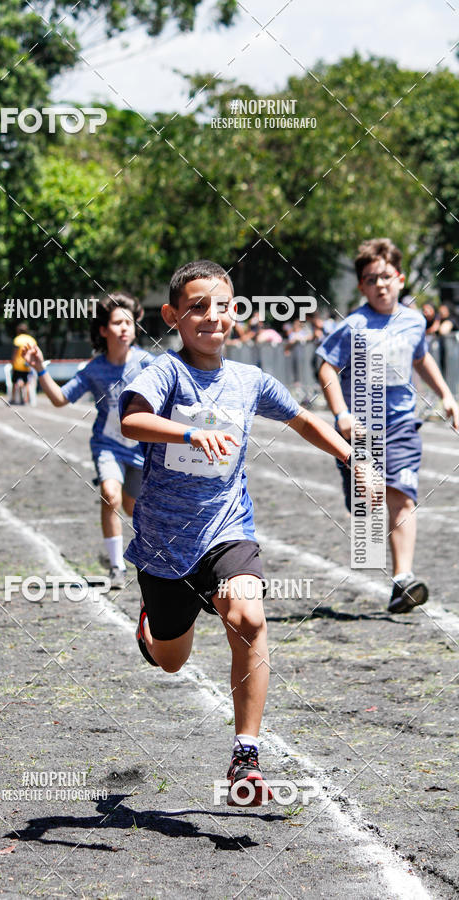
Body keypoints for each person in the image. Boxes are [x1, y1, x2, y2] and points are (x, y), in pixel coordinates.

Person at [118, 260, 376, 806]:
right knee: (171, 660)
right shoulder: (165, 374)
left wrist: (355, 458)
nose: (211, 317)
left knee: (249, 616)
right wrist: (190, 431)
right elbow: (132, 421)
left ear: (236, 312)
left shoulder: (249, 380)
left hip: (226, 526)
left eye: (222, 306)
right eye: (197, 307)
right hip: (164, 545)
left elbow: (303, 421)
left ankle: (246, 755)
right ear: (172, 316)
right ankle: (150, 627)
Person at [316, 238, 459, 614]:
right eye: (370, 279)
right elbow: (325, 366)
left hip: (401, 425)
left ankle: (403, 580)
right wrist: (342, 413)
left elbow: (421, 357)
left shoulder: (413, 320)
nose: (380, 284)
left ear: (400, 278)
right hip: (360, 429)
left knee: (402, 495)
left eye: (386, 276)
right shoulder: (353, 325)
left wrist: (446, 394)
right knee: (366, 504)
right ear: (362, 286)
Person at [23, 292, 154, 589]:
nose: (124, 328)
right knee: (110, 495)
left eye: (129, 322)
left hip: (141, 447)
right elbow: (59, 399)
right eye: (117, 322)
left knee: (134, 509)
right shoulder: (93, 369)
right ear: (103, 330)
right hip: (107, 445)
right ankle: (117, 567)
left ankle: (145, 560)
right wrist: (41, 369)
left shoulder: (148, 362)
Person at [11, 322, 37, 404]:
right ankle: (26, 399)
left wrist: (12, 362)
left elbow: (15, 353)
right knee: (27, 383)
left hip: (17, 365)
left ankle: (13, 399)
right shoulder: (31, 340)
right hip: (27, 364)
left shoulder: (17, 339)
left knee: (14, 383)